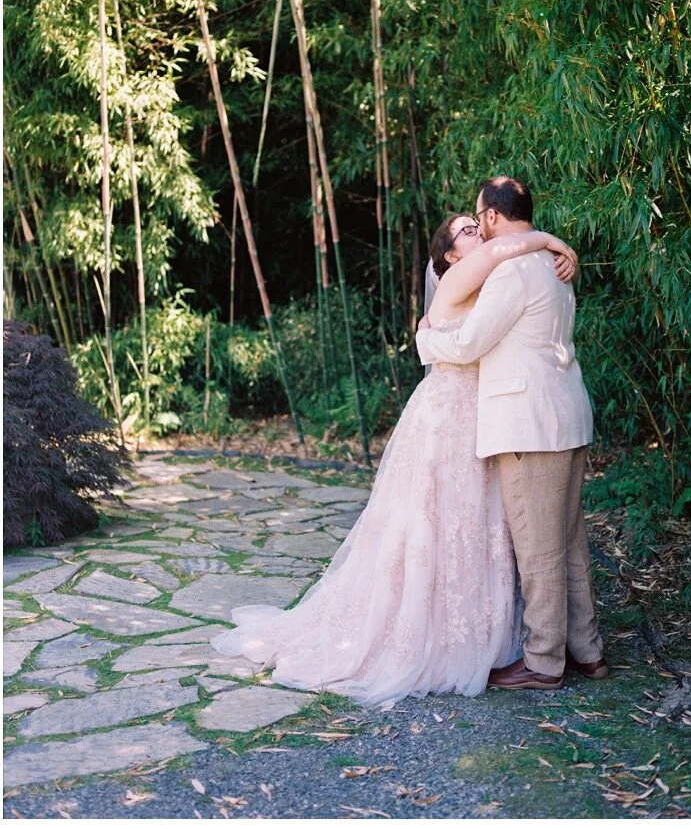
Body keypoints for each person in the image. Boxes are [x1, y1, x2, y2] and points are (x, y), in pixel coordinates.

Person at [211, 211, 578, 708]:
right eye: (467, 230)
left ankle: (481, 632)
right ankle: (423, 633)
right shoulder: (465, 275)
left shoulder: (496, 279)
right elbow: (492, 272)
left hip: (484, 418)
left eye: (477, 225)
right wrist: (552, 241)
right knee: (434, 523)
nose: (479, 233)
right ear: (449, 255)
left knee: (475, 525)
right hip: (450, 417)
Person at [417, 176, 605, 691]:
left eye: (480, 218)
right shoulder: (554, 262)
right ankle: (588, 651)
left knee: (538, 547)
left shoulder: (512, 271)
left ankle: (543, 662)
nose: (480, 228)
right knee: (569, 542)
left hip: (530, 425)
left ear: (494, 216)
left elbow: (472, 343)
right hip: (567, 413)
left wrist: (426, 341)